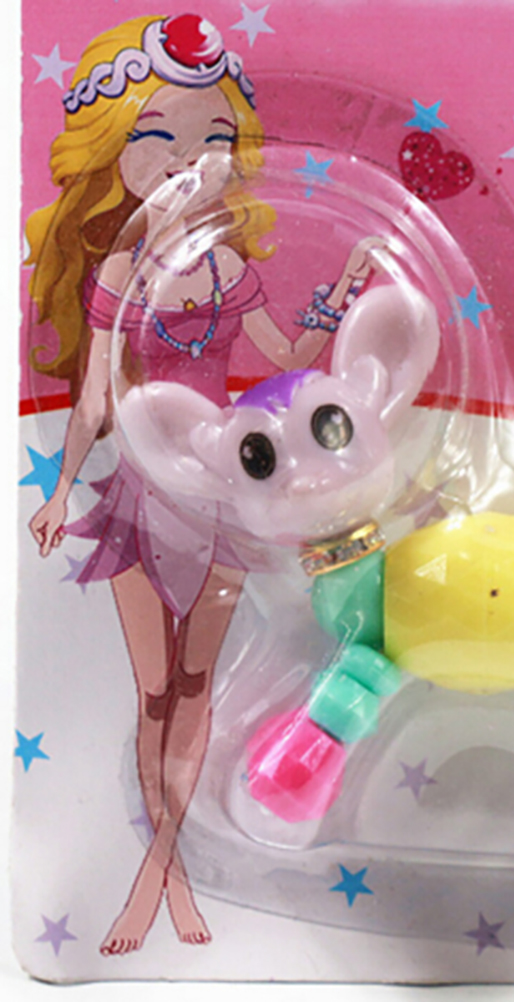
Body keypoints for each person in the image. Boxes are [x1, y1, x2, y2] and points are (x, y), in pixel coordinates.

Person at [25, 14, 379, 956]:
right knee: (151, 693)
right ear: (118, 154)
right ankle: (167, 881)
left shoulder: (229, 266)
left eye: (214, 139)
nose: (191, 160)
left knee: (195, 683)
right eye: (159, 139)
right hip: (140, 503)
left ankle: (161, 872)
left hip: (222, 495)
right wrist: (61, 491)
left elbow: (286, 361)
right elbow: (95, 396)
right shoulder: (120, 269)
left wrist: (345, 290)